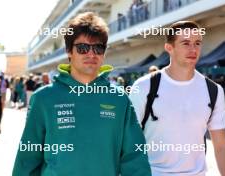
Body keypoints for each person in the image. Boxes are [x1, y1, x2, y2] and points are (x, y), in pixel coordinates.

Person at [13, 12, 151, 176]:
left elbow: (134, 158)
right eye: (83, 48)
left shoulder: (119, 99)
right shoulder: (43, 98)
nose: (91, 54)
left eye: (98, 48)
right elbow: (27, 159)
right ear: (69, 51)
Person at [129, 21, 225, 176]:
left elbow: (221, 146)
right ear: (169, 48)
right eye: (186, 43)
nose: (193, 49)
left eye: (197, 43)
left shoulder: (213, 90)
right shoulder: (144, 86)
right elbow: (126, 142)